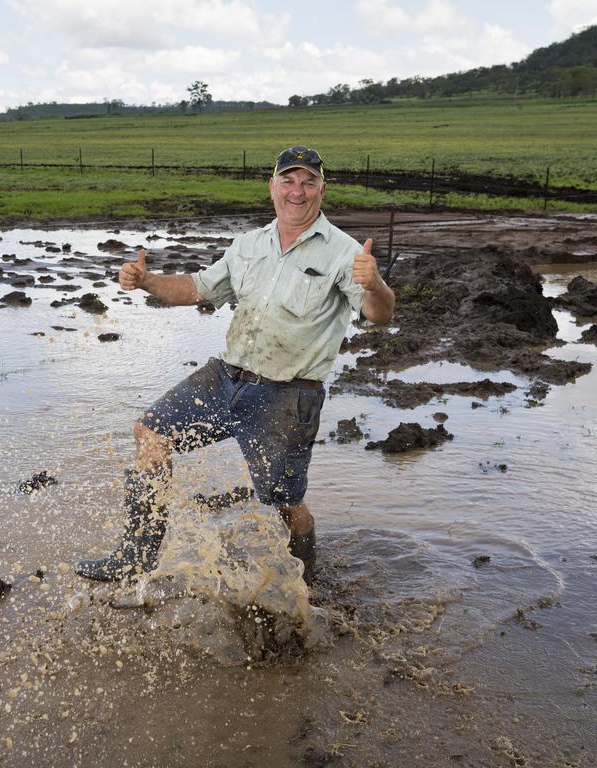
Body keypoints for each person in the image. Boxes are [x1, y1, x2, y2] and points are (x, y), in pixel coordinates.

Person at [75, 145, 395, 585]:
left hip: (287, 395)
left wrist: (374, 283)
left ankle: (305, 581)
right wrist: (147, 281)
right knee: (151, 434)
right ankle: (137, 556)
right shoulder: (248, 245)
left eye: (307, 182)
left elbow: (380, 315)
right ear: (273, 186)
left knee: (285, 503)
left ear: (322, 189)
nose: (297, 191)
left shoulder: (344, 253)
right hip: (225, 378)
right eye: (288, 180)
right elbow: (195, 290)